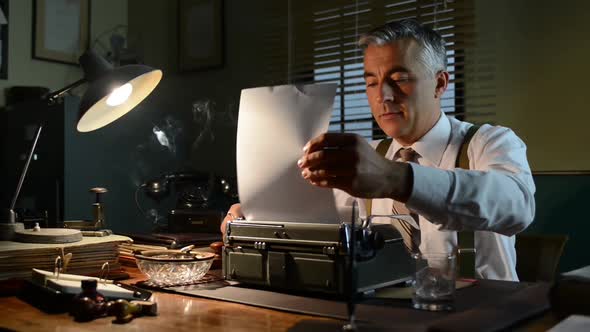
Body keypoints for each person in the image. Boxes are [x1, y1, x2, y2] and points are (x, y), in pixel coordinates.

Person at [222, 19, 535, 281]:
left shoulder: (489, 143)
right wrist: (250, 219)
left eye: (399, 79)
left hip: (483, 317)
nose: (383, 96)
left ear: (440, 84)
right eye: (371, 82)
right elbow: (309, 221)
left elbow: (517, 206)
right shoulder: (367, 157)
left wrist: (397, 179)